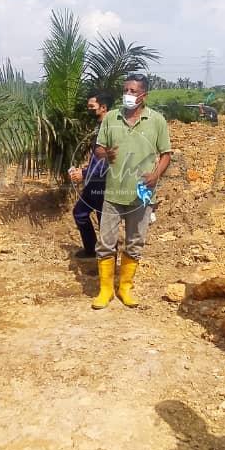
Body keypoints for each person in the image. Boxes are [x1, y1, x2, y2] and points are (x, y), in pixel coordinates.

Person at [92, 74, 172, 309]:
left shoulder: (156, 120)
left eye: (133, 91)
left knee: (135, 242)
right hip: (113, 194)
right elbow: (98, 149)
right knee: (106, 242)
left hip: (141, 195)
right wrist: (105, 155)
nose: (127, 94)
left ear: (143, 95)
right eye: (125, 90)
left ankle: (125, 287)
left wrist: (156, 175)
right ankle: (105, 289)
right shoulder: (111, 119)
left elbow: (166, 154)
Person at [68, 92, 112, 259]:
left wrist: (84, 173)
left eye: (91, 107)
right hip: (94, 182)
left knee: (105, 222)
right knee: (80, 212)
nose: (89, 110)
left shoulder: (109, 129)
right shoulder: (100, 128)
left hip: (104, 183)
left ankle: (108, 259)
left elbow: (107, 160)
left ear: (103, 107)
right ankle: (91, 249)